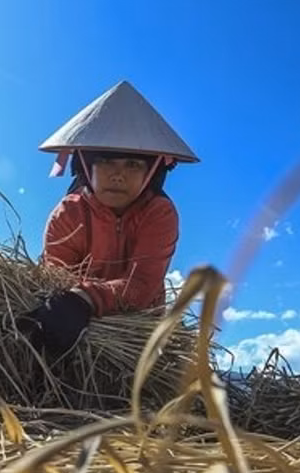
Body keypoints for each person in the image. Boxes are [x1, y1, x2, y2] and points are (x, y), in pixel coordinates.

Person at [17, 80, 200, 360]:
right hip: (73, 316)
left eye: (133, 165)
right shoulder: (68, 214)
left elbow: (141, 285)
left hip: (136, 332)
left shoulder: (159, 214)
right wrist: (72, 302)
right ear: (86, 166)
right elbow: (56, 277)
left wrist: (86, 298)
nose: (118, 175)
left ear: (152, 173)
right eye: (105, 162)